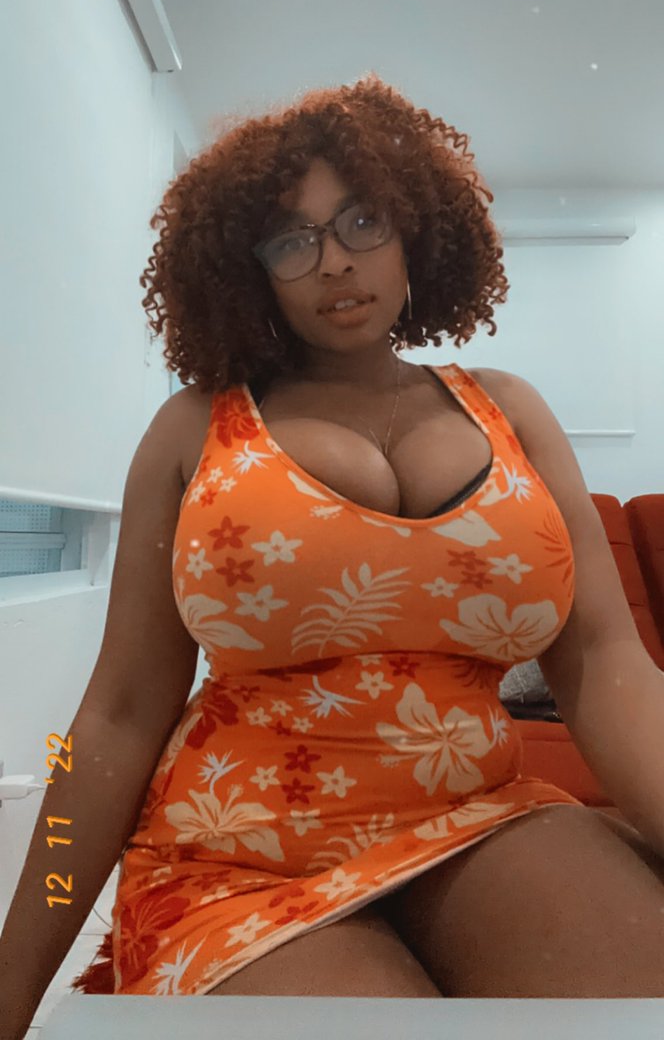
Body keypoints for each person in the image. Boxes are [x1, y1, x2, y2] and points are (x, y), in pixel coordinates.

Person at [2, 76, 663, 1032]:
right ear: (250, 271)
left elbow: (608, 665)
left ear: (414, 231)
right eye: (291, 239)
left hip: (479, 814)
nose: (334, 260)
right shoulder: (195, 428)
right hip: (237, 854)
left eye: (361, 221)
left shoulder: (511, 410)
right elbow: (115, 713)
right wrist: (10, 990)